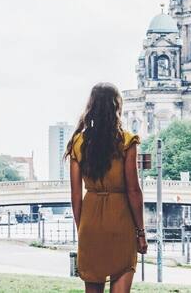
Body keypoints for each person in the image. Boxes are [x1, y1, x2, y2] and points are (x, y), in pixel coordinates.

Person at [68, 83, 147, 293]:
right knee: (122, 278)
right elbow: (133, 190)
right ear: (117, 107)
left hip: (91, 221)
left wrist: (82, 228)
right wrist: (141, 232)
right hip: (121, 220)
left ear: (91, 106)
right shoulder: (126, 141)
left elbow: (76, 196)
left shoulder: (77, 142)